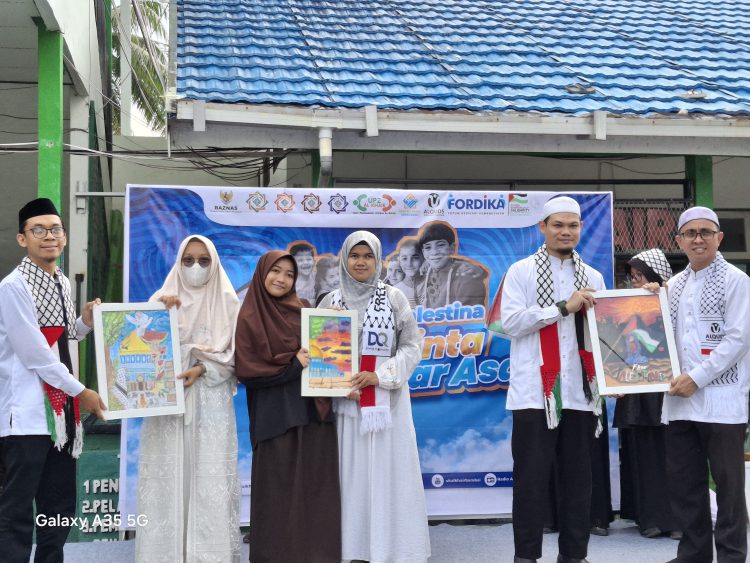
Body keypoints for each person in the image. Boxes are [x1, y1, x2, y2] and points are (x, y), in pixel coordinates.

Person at [500, 196, 606, 563]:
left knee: (579, 482)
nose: (565, 232)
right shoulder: (521, 271)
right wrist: (563, 307)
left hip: (579, 394)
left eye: (572, 225)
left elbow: (606, 330)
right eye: (558, 225)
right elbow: (511, 323)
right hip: (534, 393)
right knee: (530, 481)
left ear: (581, 228)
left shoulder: (593, 277)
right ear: (542, 227)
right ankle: (526, 557)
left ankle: (574, 556)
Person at [0, 197, 106, 562]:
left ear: (64, 237)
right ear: (22, 239)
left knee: (58, 508)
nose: (49, 236)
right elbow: (35, 354)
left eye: (56, 229)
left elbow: (61, 340)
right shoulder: (14, 287)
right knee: (16, 512)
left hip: (60, 419)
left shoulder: (60, 282)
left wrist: (84, 324)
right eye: (39, 230)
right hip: (26, 418)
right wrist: (82, 392)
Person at [319, 231, 430, 563]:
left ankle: (389, 549)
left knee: (387, 475)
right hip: (346, 407)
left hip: (387, 407)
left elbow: (412, 346)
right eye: (354, 255)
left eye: (368, 256)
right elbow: (319, 355)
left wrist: (380, 376)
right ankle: (353, 549)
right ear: (344, 259)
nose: (361, 262)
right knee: (351, 477)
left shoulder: (394, 298)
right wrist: (337, 383)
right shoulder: (330, 302)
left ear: (379, 260)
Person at [135, 235, 241, 562]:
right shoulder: (160, 299)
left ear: (215, 264)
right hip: (167, 404)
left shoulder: (229, 302)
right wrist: (159, 314)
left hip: (211, 401)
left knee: (209, 476)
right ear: (178, 263)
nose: (195, 267)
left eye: (203, 261)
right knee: (166, 475)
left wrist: (203, 368)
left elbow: (238, 359)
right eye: (188, 260)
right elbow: (136, 354)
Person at [235, 250, 340, 563]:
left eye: (289, 274)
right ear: (262, 273)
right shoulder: (249, 317)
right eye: (275, 271)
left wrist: (332, 326)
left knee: (315, 486)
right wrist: (293, 365)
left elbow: (325, 352)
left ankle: (317, 555)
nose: (281, 279)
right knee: (277, 489)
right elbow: (248, 371)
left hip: (313, 411)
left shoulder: (305, 310)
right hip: (275, 416)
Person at [660, 207, 750, 563]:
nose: (698, 239)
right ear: (679, 240)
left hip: (723, 403)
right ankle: (693, 556)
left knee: (729, 489)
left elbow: (738, 339)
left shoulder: (737, 281)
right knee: (686, 487)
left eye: (706, 232)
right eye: (691, 233)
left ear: (719, 238)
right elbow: (656, 336)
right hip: (680, 403)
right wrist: (648, 301)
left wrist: (697, 378)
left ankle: (731, 557)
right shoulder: (672, 286)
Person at [613, 248, 680, 540]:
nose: (635, 281)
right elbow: (616, 345)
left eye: (641, 276)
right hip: (636, 390)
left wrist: (662, 296)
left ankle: (676, 519)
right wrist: (614, 380)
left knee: (673, 454)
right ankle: (648, 517)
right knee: (642, 453)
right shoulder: (625, 307)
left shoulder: (675, 299)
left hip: (669, 389)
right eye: (633, 276)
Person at [418, 221, 488, 307]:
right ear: (423, 252)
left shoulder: (466, 274)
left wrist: (481, 270)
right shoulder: (423, 271)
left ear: (452, 248)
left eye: (440, 245)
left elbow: (469, 313)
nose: (434, 252)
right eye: (428, 247)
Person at [393, 238, 425, 307]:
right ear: (399, 261)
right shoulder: (395, 291)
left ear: (422, 258)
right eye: (404, 258)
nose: (409, 264)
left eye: (415, 258)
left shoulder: (431, 283)